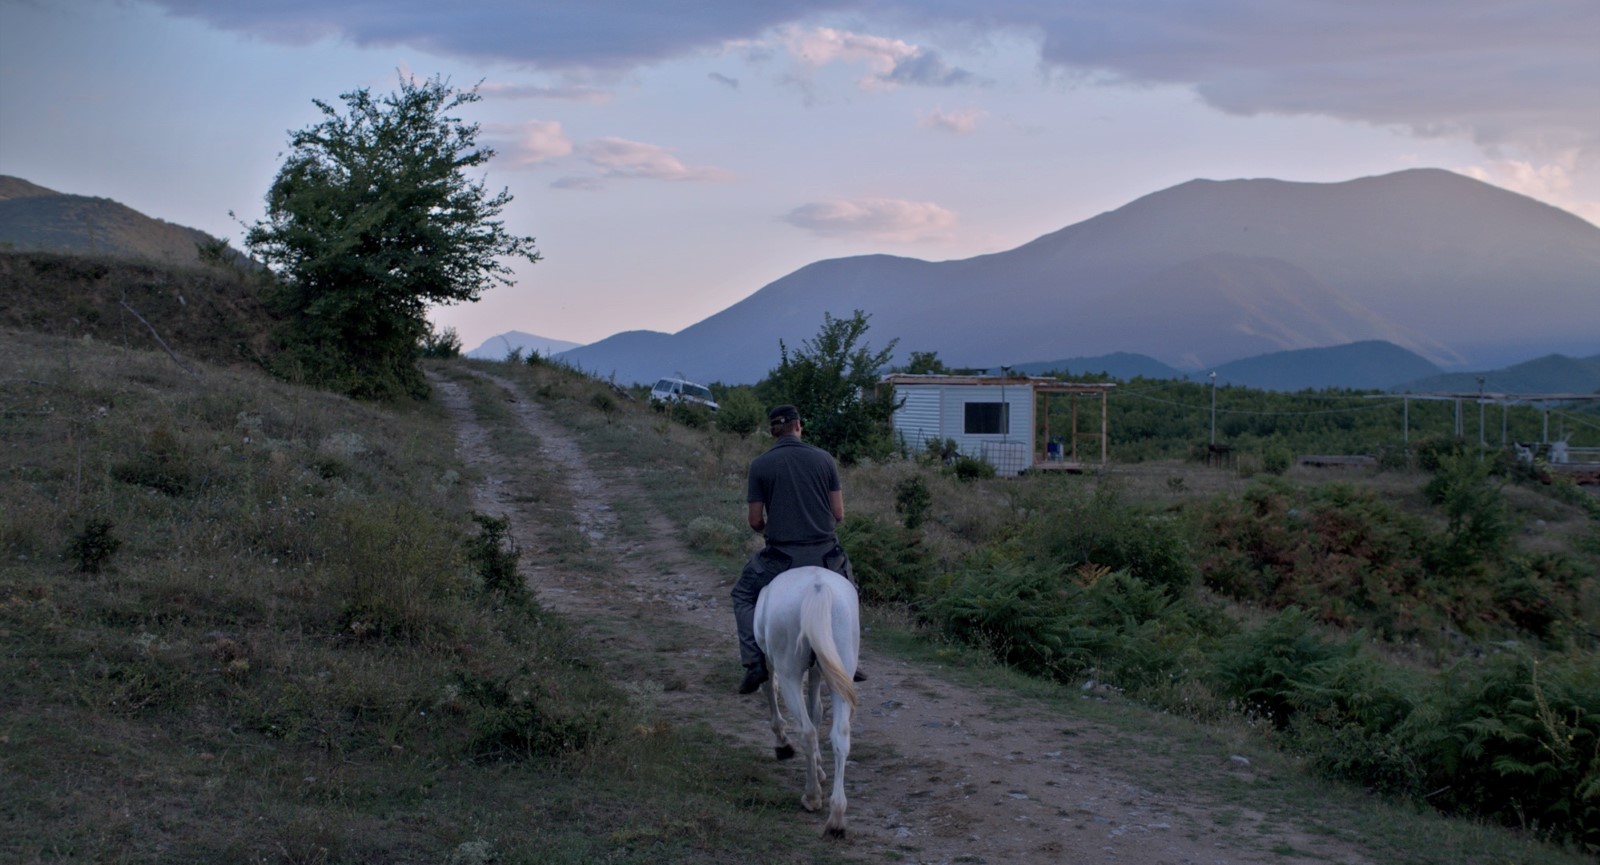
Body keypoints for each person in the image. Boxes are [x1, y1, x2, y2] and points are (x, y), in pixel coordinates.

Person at [731, 404, 864, 694]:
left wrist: (773, 530)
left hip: (782, 558)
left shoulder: (760, 465)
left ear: (773, 431)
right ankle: (852, 659)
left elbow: (755, 521)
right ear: (799, 426)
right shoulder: (824, 459)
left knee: (742, 593)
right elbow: (838, 513)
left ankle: (754, 662)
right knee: (849, 590)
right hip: (826, 555)